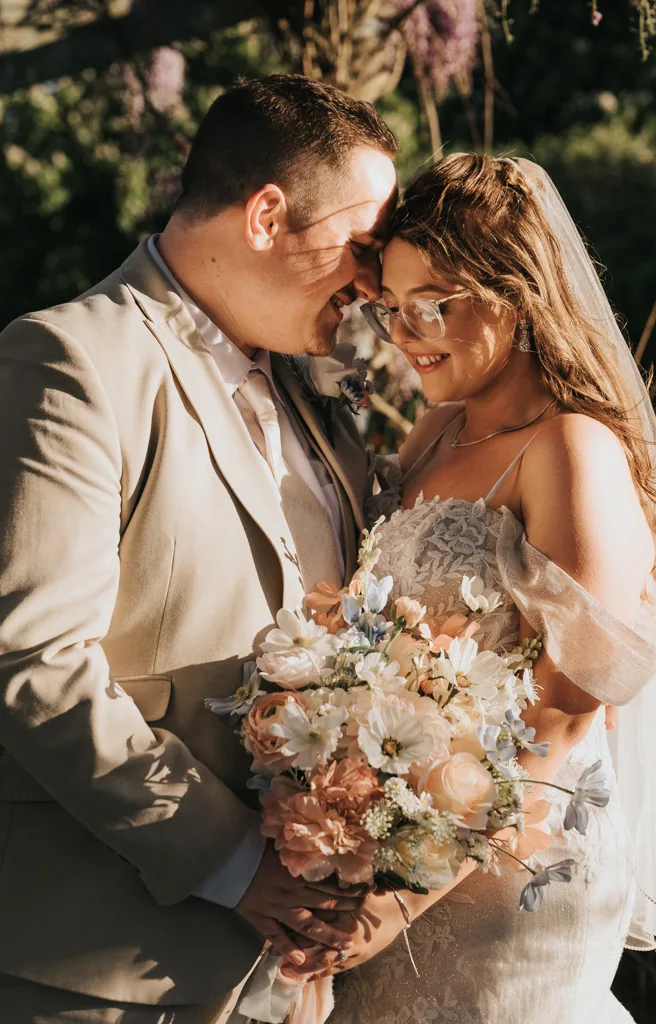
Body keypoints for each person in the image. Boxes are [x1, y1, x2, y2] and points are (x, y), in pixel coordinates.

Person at [0, 74, 400, 1023]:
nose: (371, 282)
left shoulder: (316, 390)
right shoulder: (71, 361)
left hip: (291, 977)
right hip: (107, 968)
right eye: (360, 245)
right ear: (266, 214)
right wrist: (232, 860)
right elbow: (32, 661)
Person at [319, 154, 656, 1023]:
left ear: (514, 294)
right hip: (398, 843)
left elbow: (565, 705)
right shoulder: (435, 434)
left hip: (510, 871)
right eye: (391, 307)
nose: (405, 334)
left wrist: (406, 891)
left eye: (433, 304)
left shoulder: (570, 449)